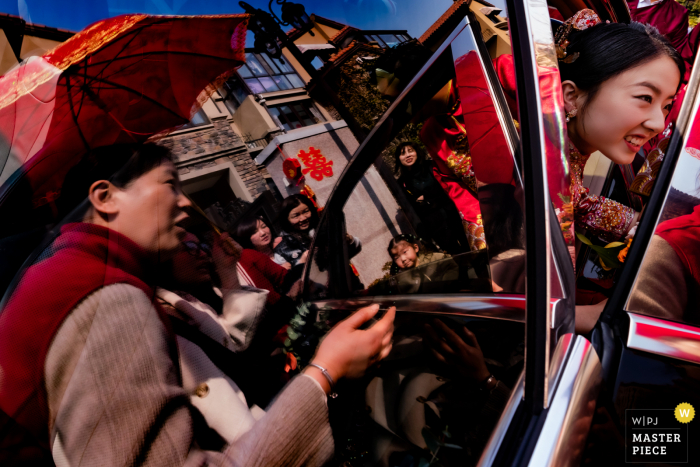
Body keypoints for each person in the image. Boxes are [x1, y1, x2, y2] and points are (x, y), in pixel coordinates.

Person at [0, 143, 395, 466]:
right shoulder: (102, 295)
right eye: (170, 184)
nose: (185, 205)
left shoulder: (70, 274)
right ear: (105, 197)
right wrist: (326, 371)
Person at [543, 11, 685, 332]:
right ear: (572, 96)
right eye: (644, 98)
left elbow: (578, 201)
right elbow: (519, 307)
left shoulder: (563, 154)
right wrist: (591, 317)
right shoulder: (537, 168)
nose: (658, 124)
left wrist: (641, 226)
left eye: (666, 105)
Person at [393, 142, 470, 253]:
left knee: (472, 248)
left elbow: (447, 187)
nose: (408, 155)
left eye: (410, 151)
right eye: (402, 153)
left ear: (417, 152)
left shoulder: (431, 165)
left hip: (455, 215)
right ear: (398, 158)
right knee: (457, 256)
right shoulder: (401, 183)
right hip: (436, 226)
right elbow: (413, 207)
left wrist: (426, 199)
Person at [275, 194, 361, 267]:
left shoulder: (324, 227)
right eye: (296, 215)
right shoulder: (282, 251)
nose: (303, 218)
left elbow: (351, 252)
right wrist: (301, 262)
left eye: (306, 211)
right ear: (286, 220)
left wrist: (350, 241)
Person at [386, 234, 459, 294]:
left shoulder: (434, 258)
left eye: (405, 252)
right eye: (396, 258)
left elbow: (451, 267)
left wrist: (444, 285)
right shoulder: (402, 279)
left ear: (415, 248)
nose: (403, 259)